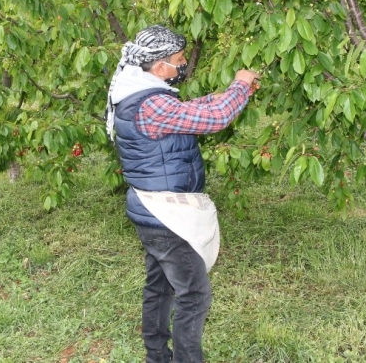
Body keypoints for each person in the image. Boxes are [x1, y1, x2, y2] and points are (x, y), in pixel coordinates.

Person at [106, 25, 259, 362]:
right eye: (179, 60)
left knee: (159, 288)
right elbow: (216, 118)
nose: (184, 64)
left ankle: (156, 356)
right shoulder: (151, 104)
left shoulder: (142, 92)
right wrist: (240, 84)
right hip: (166, 214)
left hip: (151, 210)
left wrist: (229, 94)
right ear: (160, 66)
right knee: (194, 295)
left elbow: (192, 110)